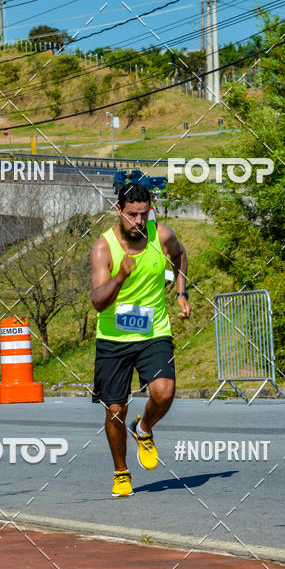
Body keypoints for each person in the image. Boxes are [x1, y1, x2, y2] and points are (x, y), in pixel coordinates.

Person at [90, 182, 191, 497]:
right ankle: (121, 473)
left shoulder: (161, 235)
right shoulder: (104, 248)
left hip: (153, 331)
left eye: (143, 214)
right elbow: (98, 301)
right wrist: (120, 276)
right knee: (115, 409)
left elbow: (181, 255)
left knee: (165, 392)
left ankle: (144, 428)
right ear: (118, 210)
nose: (137, 221)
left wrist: (181, 292)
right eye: (131, 214)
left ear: (151, 210)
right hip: (113, 337)